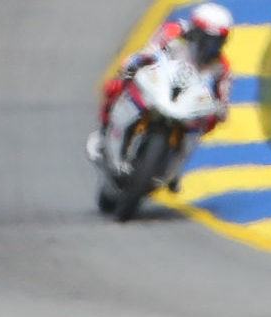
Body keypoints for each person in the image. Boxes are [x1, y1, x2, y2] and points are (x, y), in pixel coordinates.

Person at [87, 1, 235, 186]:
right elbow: (150, 50)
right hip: (159, 84)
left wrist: (220, 110)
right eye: (207, 39)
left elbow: (224, 96)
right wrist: (138, 61)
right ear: (196, 30)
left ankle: (176, 168)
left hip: (187, 103)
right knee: (116, 84)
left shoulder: (221, 66)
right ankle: (103, 132)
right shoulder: (174, 31)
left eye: (218, 41)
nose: (212, 46)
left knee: (208, 122)